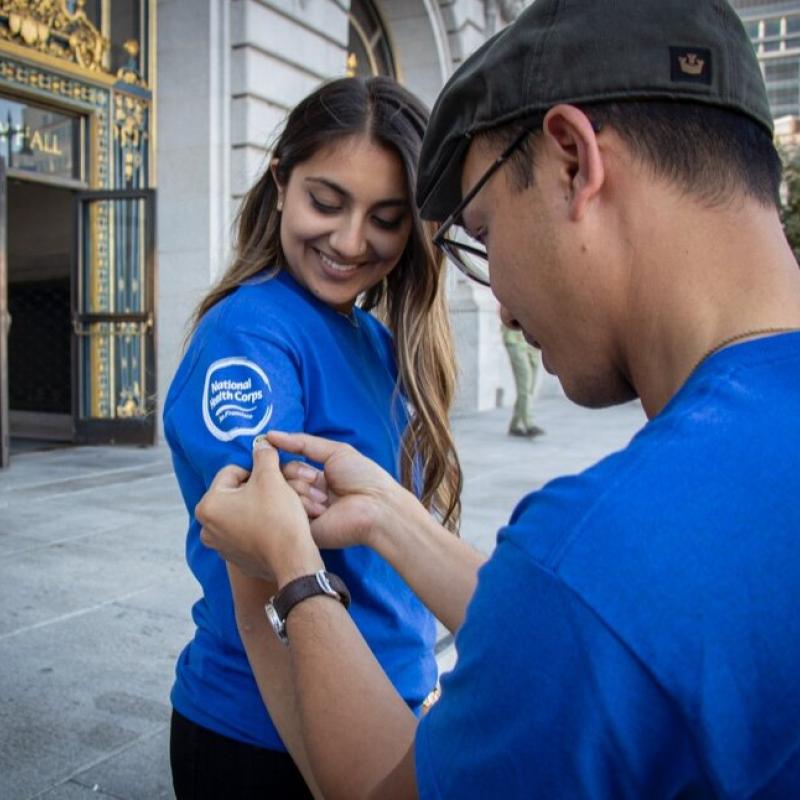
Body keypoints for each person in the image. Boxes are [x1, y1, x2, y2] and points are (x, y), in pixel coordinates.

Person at [195, 1, 800, 797]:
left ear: (573, 163)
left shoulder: (598, 562)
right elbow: (589, 634)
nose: (503, 306)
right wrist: (384, 512)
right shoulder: (614, 579)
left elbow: (582, 620)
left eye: (483, 232)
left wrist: (279, 575)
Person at [162, 76, 461, 798]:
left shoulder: (379, 337)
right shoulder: (252, 333)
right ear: (280, 181)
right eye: (325, 202)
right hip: (277, 738)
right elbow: (256, 549)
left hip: (386, 714)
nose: (350, 241)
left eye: (386, 217)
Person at [500, 310, 544, 437]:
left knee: (530, 387)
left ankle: (515, 424)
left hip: (531, 343)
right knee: (525, 384)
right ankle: (528, 424)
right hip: (515, 340)